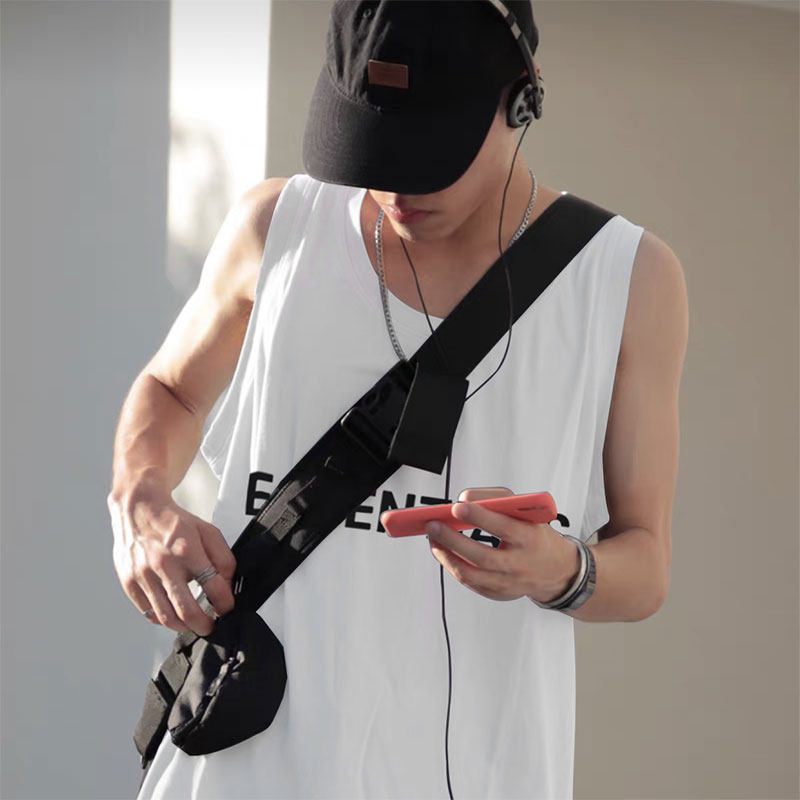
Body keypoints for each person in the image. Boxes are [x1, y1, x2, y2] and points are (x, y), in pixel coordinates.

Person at [107, 1, 688, 797]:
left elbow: (645, 564)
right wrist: (138, 500)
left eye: (429, 151)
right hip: (240, 766)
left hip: (475, 774)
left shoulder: (627, 278)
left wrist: (561, 568)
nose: (395, 184)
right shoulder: (276, 227)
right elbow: (171, 389)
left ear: (523, 97)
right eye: (369, 145)